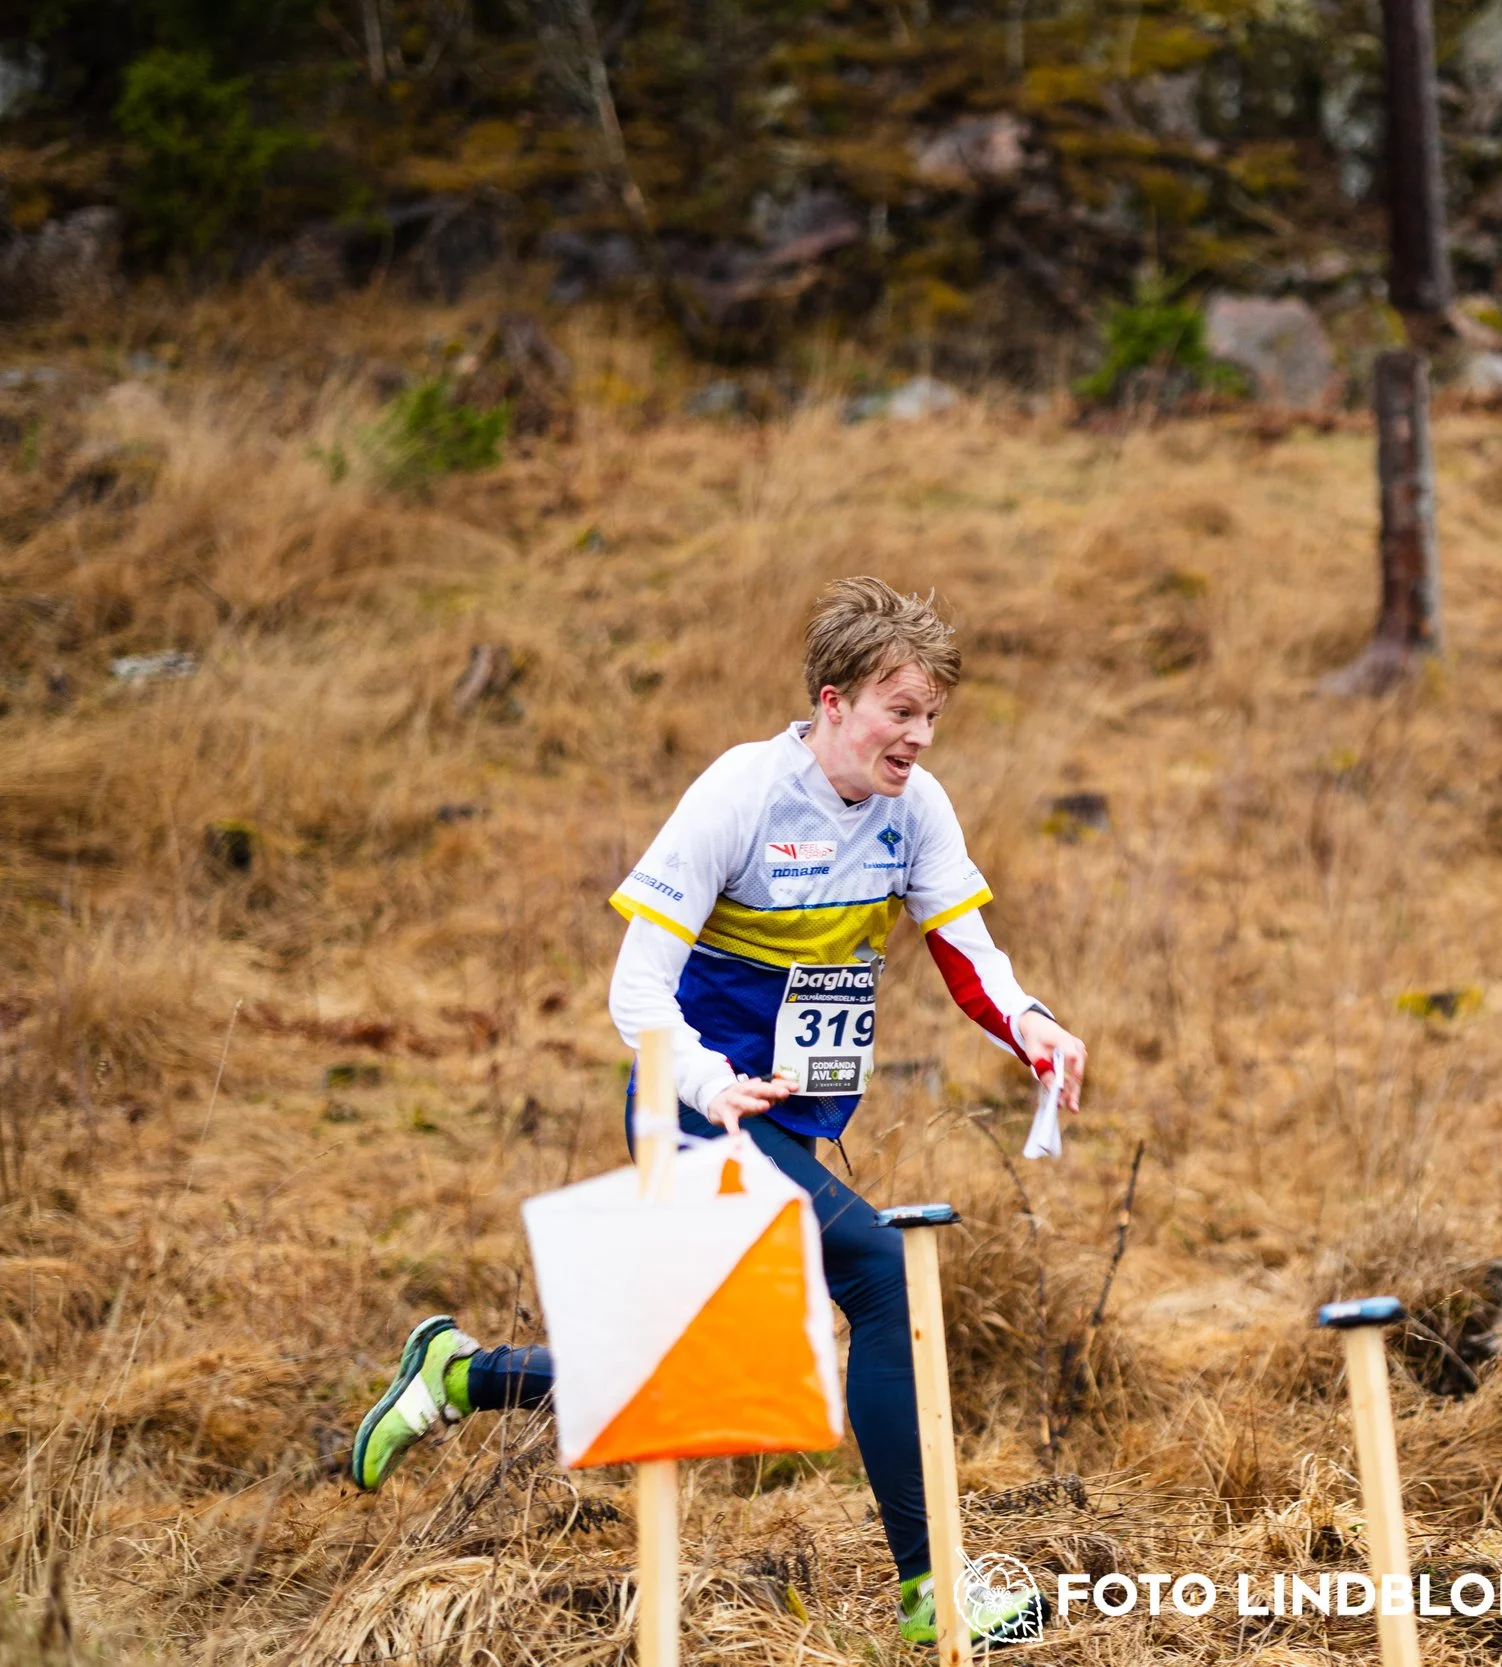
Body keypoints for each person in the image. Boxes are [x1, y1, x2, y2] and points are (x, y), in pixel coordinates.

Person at [348, 577, 1086, 1648]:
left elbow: (967, 956)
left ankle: (461, 1370)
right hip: (698, 1105)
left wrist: (1033, 1027)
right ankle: (934, 1588)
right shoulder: (740, 793)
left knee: (694, 1358)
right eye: (900, 710)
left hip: (786, 1119)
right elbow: (633, 989)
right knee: (878, 1274)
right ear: (833, 702)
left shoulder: (914, 808)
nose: (919, 737)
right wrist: (703, 1084)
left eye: (932, 715)